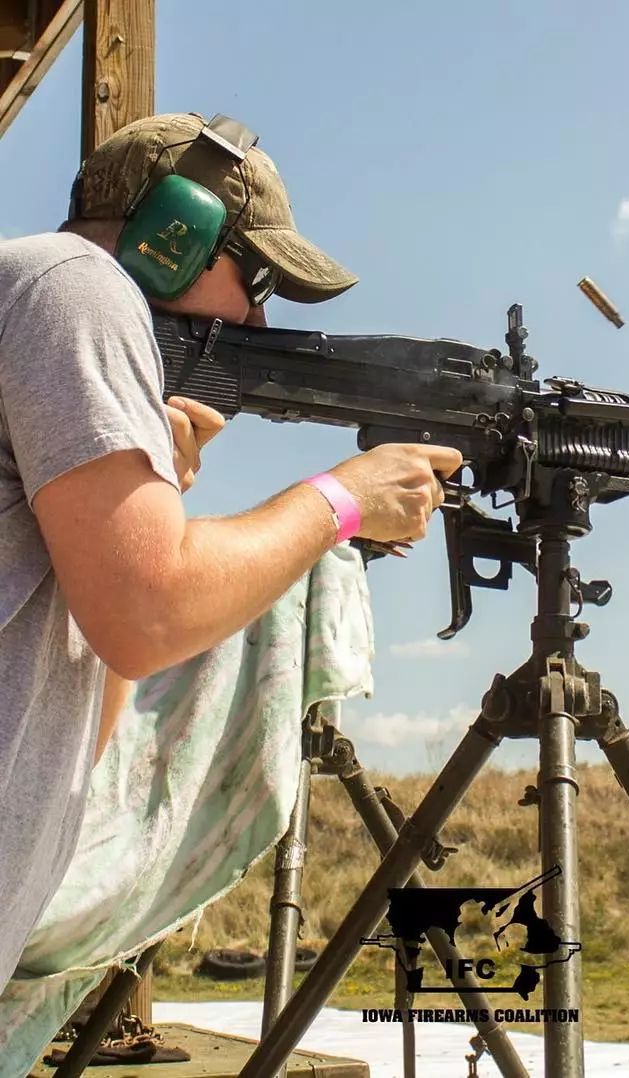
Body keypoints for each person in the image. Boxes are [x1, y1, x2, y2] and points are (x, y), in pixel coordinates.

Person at [0, 111, 462, 988]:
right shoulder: (75, 287)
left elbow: (110, 661)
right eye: (254, 278)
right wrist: (342, 499)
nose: (256, 317)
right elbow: (150, 613)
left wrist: (155, 496)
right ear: (170, 235)